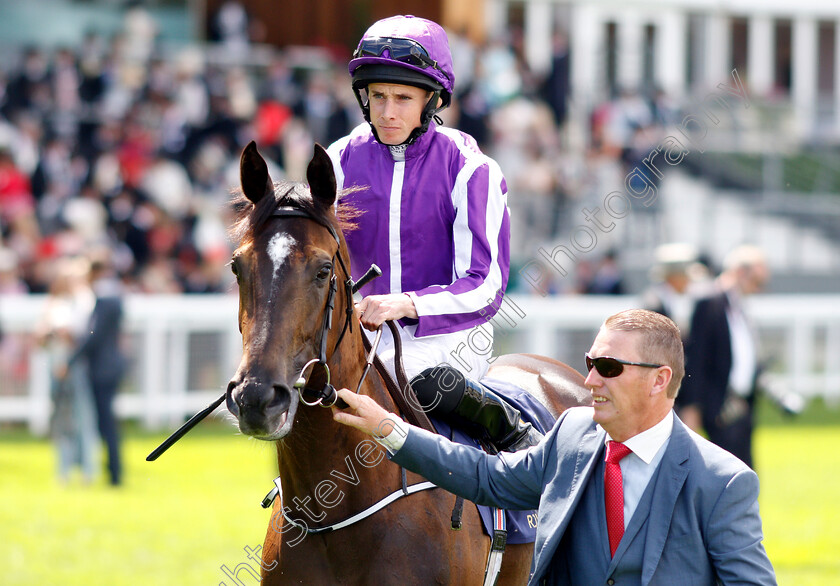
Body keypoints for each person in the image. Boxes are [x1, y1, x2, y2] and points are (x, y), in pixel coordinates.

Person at [332, 309, 776, 585]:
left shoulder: (722, 481)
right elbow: (488, 477)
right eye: (590, 364)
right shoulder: (572, 435)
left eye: (608, 367)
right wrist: (390, 428)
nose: (589, 381)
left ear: (660, 379)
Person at [327, 15, 538, 451]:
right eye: (378, 96)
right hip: (358, 331)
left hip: (447, 336)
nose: (386, 112)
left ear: (432, 100)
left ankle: (519, 442)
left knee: (411, 380)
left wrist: (406, 304)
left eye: (403, 98)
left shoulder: (471, 169)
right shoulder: (339, 160)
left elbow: (486, 287)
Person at [680, 245, 769, 469]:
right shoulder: (708, 302)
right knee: (725, 477)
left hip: (741, 405)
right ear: (740, 272)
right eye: (757, 282)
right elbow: (695, 358)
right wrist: (692, 407)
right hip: (716, 407)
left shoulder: (738, 306)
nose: (759, 290)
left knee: (745, 473)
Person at [36, 256, 98, 485]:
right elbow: (40, 335)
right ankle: (64, 469)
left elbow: (86, 336)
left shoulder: (85, 301)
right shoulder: (54, 303)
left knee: (83, 418)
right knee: (61, 419)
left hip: (76, 366)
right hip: (56, 363)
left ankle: (87, 470)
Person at [67, 249, 126, 486]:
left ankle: (114, 472)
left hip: (103, 368)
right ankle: (111, 470)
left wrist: (71, 359)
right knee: (105, 421)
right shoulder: (111, 296)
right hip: (108, 365)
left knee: (106, 422)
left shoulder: (106, 298)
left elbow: (95, 336)